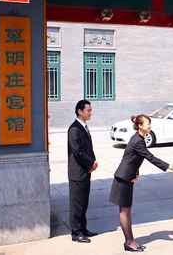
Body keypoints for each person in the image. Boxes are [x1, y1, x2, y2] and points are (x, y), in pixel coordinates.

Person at [109, 114, 173, 252]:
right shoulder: (138, 141)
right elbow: (150, 157)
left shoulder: (138, 138)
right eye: (148, 124)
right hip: (123, 179)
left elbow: (132, 159)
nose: (150, 126)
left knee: (126, 211)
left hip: (126, 177)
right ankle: (129, 242)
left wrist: (135, 173)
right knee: (125, 211)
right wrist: (170, 167)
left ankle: (129, 241)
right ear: (140, 126)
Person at [67, 99, 98, 243]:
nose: (90, 113)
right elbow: (78, 152)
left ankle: (83, 228)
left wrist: (92, 163)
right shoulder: (74, 129)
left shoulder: (84, 126)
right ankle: (76, 232)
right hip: (77, 173)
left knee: (84, 202)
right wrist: (91, 162)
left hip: (86, 170)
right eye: (88, 110)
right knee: (77, 204)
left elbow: (88, 148)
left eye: (90, 110)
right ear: (80, 111)